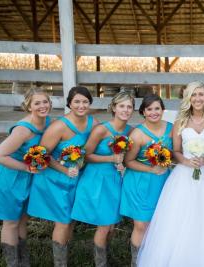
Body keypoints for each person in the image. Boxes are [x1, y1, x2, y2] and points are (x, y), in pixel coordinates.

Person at [137, 81, 204, 267]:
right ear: (188, 97)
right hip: (184, 176)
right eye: (194, 95)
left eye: (201, 94)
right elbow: (176, 151)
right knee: (180, 220)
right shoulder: (180, 121)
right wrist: (187, 161)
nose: (197, 99)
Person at [27, 86, 98, 267]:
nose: (81, 105)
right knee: (63, 222)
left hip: (78, 179)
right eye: (77, 102)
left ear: (89, 103)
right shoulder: (58, 126)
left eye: (85, 102)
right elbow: (41, 155)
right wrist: (64, 170)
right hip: (56, 179)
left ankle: (65, 255)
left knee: (72, 220)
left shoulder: (94, 123)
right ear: (69, 104)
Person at [0, 88, 52, 267]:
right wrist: (27, 168)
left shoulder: (47, 122)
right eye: (37, 103)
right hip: (10, 177)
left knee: (22, 219)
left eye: (45, 102)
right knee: (11, 222)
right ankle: (13, 263)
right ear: (28, 107)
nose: (42, 106)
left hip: (27, 177)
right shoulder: (22, 130)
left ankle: (24, 261)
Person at [71, 92, 134, 266]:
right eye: (122, 106)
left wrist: (123, 164)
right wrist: (110, 159)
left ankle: (106, 256)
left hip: (116, 180)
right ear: (114, 107)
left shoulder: (131, 131)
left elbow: (128, 157)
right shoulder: (102, 129)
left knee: (112, 225)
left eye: (129, 106)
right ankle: (101, 263)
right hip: (97, 180)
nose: (125, 110)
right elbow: (85, 155)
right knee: (105, 224)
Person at [120, 94, 173, 267]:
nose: (153, 112)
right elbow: (128, 161)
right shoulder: (138, 134)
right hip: (140, 183)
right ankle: (136, 263)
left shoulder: (172, 129)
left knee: (158, 226)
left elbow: (177, 153)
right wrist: (151, 169)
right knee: (142, 225)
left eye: (157, 108)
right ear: (143, 112)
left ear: (162, 110)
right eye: (149, 109)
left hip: (163, 183)